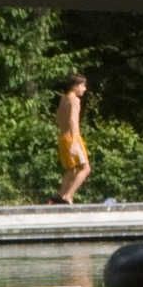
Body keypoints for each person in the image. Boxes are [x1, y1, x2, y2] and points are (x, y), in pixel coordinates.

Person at [55, 73, 93, 205]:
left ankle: (60, 196)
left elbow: (58, 118)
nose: (85, 89)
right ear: (74, 86)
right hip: (73, 137)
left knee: (71, 170)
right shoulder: (75, 100)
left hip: (63, 137)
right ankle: (68, 196)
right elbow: (73, 120)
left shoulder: (64, 98)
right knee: (86, 168)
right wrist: (75, 142)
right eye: (83, 86)